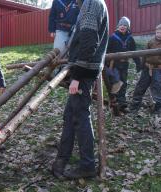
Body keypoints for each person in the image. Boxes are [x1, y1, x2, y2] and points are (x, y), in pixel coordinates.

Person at [52, 0, 109, 179]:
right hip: (84, 68)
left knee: (80, 116)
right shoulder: (89, 4)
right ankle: (62, 159)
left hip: (84, 71)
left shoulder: (91, 5)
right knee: (70, 114)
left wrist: (76, 76)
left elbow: (89, 42)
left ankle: (87, 165)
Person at [106, 17, 141, 113]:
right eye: (121, 25)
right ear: (118, 26)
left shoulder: (130, 39)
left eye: (125, 25)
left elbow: (134, 52)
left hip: (124, 64)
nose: (123, 26)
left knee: (123, 82)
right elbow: (107, 51)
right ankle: (114, 102)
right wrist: (107, 63)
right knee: (116, 82)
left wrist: (138, 63)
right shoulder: (112, 37)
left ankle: (122, 103)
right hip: (114, 64)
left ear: (128, 27)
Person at [130, 24, 161, 115]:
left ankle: (159, 109)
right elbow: (145, 54)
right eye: (157, 32)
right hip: (147, 67)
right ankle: (134, 106)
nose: (159, 34)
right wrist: (142, 66)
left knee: (157, 87)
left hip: (158, 68)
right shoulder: (150, 42)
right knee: (141, 86)